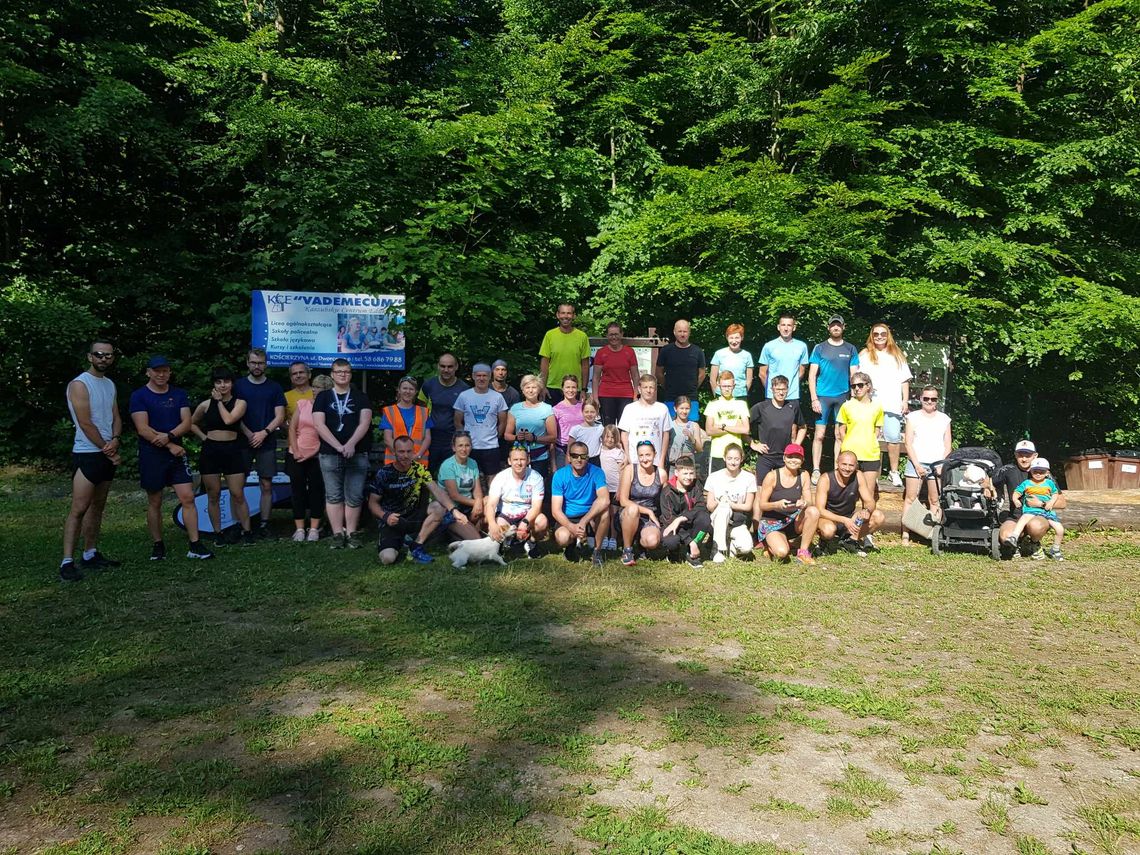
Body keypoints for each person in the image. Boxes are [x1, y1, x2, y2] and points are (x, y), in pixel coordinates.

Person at [129, 355, 212, 561]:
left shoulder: (179, 394)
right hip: (152, 454)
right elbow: (142, 428)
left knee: (188, 497)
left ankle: (195, 544)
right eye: (157, 371)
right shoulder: (139, 396)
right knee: (155, 501)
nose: (161, 374)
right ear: (148, 372)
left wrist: (170, 436)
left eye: (165, 370)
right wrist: (169, 444)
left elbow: (186, 422)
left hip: (175, 453)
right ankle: (158, 545)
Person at [61, 340, 123, 581]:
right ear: (90, 357)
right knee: (79, 508)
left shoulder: (109, 384)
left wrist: (116, 438)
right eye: (99, 355)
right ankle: (67, 561)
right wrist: (108, 449)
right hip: (87, 453)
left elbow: (115, 415)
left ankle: (90, 552)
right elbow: (85, 422)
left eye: (108, 355)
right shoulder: (79, 384)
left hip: (106, 452)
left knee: (98, 507)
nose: (103, 359)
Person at [368, 435, 473, 565]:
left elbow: (437, 491)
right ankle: (402, 541)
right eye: (401, 451)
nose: (405, 455)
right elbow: (372, 503)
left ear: (413, 451)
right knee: (387, 559)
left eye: (409, 451)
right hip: (393, 520)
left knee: (439, 507)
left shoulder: (419, 469)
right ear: (394, 452)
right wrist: (385, 516)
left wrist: (454, 510)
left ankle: (416, 546)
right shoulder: (384, 473)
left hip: (414, 516)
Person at [190, 367, 254, 547]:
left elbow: (229, 420)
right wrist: (205, 438)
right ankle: (218, 533)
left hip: (232, 450)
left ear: (232, 383)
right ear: (214, 384)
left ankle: (247, 530)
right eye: (218, 382)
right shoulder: (204, 404)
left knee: (237, 493)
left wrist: (219, 402)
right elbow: (192, 423)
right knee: (213, 494)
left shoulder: (240, 403)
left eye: (226, 381)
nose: (222, 385)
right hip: (211, 452)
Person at [313, 358, 373, 549]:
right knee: (333, 495)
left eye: (346, 371)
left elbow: (365, 422)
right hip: (330, 453)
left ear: (350, 374)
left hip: (357, 452)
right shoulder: (323, 397)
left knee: (354, 496)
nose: (342, 375)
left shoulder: (360, 396)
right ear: (332, 374)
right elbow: (318, 424)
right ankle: (337, 534)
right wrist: (338, 446)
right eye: (339, 371)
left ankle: (352, 533)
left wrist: (350, 444)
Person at [235, 348, 287, 538]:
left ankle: (265, 524)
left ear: (266, 364)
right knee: (237, 486)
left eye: (261, 363)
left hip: (267, 440)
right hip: (242, 441)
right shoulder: (238, 386)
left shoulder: (274, 387)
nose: (257, 366)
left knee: (266, 485)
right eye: (254, 362)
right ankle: (241, 525)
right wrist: (250, 434)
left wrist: (263, 433)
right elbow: (233, 415)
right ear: (247, 363)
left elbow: (280, 416)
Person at [994, 441, 1068, 560]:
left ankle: (1034, 544)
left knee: (1035, 526)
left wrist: (1041, 504)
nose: (1024, 459)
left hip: (1039, 515)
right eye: (1020, 454)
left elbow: (1062, 503)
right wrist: (988, 487)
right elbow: (990, 481)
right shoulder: (1008, 470)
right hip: (1016, 516)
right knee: (1005, 536)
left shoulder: (1044, 474)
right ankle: (1016, 545)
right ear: (1015, 455)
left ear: (1035, 456)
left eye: (1028, 455)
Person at [808, 315, 860, 484]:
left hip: (843, 396)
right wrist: (814, 398)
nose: (835, 328)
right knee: (820, 435)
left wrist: (853, 397)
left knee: (840, 435)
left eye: (838, 325)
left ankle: (838, 469)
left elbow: (854, 375)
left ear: (843, 327)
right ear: (828, 328)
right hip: (823, 396)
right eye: (833, 325)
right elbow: (812, 375)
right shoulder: (820, 348)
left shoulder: (850, 348)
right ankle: (816, 469)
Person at [859, 323, 912, 487]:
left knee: (893, 438)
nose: (879, 336)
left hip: (892, 403)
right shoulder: (865, 354)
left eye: (883, 333)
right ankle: (871, 472)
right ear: (871, 336)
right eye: (876, 334)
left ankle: (894, 472)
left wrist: (905, 400)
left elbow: (904, 380)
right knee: (870, 438)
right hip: (871, 403)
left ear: (888, 335)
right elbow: (857, 379)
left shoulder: (897, 355)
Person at [901, 385, 952, 546]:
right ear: (921, 399)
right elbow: (908, 443)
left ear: (937, 400)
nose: (930, 401)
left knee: (934, 500)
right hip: (916, 461)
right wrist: (916, 465)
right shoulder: (913, 417)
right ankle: (905, 534)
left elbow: (948, 445)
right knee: (910, 498)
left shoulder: (944, 419)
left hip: (937, 463)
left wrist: (941, 464)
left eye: (933, 399)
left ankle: (932, 534)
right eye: (926, 398)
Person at [755, 444, 820, 565]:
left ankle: (803, 553)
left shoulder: (804, 475)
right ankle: (769, 545)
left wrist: (804, 503)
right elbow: (762, 505)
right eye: (790, 456)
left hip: (793, 519)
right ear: (784, 458)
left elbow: (810, 501)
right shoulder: (772, 476)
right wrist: (776, 505)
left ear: (802, 460)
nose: (793, 460)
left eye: (797, 457)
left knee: (813, 511)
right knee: (782, 553)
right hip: (772, 521)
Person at [551, 440, 610, 568]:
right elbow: (555, 510)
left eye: (583, 456)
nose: (579, 459)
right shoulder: (559, 475)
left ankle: (596, 552)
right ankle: (571, 546)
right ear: (569, 457)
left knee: (605, 512)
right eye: (575, 456)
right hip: (568, 517)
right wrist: (571, 526)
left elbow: (605, 499)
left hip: (589, 515)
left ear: (588, 458)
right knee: (562, 538)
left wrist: (584, 521)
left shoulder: (597, 472)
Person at [287, 373, 331, 542]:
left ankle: (314, 528)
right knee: (297, 491)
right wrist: (296, 451)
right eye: (314, 386)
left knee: (316, 491)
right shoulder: (303, 404)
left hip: (316, 456)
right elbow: (292, 429)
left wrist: (312, 453)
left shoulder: (329, 410)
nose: (314, 390)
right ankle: (299, 529)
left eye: (318, 387)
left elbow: (326, 435)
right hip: (296, 454)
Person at [815, 451, 885, 556]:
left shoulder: (858, 475)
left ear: (856, 465)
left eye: (851, 465)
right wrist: (843, 520)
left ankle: (850, 541)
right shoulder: (826, 479)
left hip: (849, 518)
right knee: (828, 530)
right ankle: (824, 542)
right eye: (844, 464)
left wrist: (866, 510)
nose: (847, 468)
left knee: (878, 516)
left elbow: (869, 501)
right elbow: (820, 510)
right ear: (837, 463)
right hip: (829, 518)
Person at [836, 371, 885, 506]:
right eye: (853, 386)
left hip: (870, 454)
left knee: (868, 496)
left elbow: (877, 429)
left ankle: (865, 526)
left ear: (868, 386)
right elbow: (841, 429)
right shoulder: (847, 406)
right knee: (846, 492)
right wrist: (847, 446)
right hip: (850, 455)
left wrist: (870, 441)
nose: (857, 388)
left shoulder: (877, 407)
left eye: (860, 385)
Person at [749, 374, 807, 488]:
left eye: (783, 389)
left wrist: (795, 446)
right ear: (771, 390)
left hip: (785, 458)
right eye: (778, 389)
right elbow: (743, 427)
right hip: (765, 456)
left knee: (782, 490)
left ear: (788, 390)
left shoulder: (793, 407)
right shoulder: (761, 407)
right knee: (761, 490)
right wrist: (753, 444)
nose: (781, 393)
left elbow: (803, 427)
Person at [453, 363, 508, 479]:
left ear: (490, 377)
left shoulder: (497, 397)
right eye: (478, 375)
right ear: (473, 376)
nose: (481, 378)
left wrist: (496, 436)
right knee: (469, 479)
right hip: (469, 447)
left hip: (491, 446)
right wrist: (463, 438)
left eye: (484, 375)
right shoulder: (464, 396)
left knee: (492, 480)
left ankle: (491, 498)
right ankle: (473, 498)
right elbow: (458, 421)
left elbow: (503, 422)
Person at [486, 445, 548, 547]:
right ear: (509, 461)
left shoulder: (536, 477)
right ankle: (508, 543)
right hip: (506, 515)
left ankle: (531, 542)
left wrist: (525, 522)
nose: (519, 463)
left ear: (528, 460)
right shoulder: (500, 477)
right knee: (497, 526)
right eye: (515, 459)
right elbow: (491, 505)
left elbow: (537, 507)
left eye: (522, 459)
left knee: (542, 522)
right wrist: (492, 524)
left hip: (527, 515)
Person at [704, 443, 756, 563]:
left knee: (746, 548)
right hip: (717, 521)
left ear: (742, 459)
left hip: (737, 522)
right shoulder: (714, 477)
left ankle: (728, 544)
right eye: (730, 458)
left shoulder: (749, 478)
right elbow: (710, 506)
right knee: (724, 508)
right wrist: (721, 502)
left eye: (736, 459)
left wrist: (731, 504)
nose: (733, 462)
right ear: (724, 458)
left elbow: (748, 506)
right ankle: (718, 550)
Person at [420, 352, 470, 476]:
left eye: (450, 367)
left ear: (456, 367)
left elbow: (467, 416)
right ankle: (424, 497)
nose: (446, 370)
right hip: (431, 439)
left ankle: (450, 496)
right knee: (426, 476)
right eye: (443, 366)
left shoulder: (465, 389)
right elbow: (421, 411)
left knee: (452, 476)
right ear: (438, 366)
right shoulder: (428, 385)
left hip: (453, 439)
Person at [618, 439, 665, 565]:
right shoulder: (630, 470)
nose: (644, 459)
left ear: (654, 454)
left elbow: (665, 501)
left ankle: (640, 543)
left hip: (649, 518)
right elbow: (623, 500)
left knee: (653, 541)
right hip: (628, 514)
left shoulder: (661, 473)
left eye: (648, 455)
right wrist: (648, 511)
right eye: (641, 455)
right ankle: (627, 550)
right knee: (633, 509)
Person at [1007, 458, 1065, 560]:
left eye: (1041, 471)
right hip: (1031, 510)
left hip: (1047, 511)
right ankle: (1014, 537)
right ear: (1030, 471)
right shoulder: (1027, 483)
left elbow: (1055, 494)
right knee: (1023, 519)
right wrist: (1015, 500)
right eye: (1035, 471)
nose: (1038, 474)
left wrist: (1050, 503)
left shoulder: (1049, 483)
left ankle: (1055, 549)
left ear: (1047, 472)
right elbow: (1017, 492)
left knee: (1060, 529)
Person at [660, 455, 711, 567]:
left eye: (691, 473)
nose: (689, 477)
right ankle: (674, 551)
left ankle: (691, 554)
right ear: (677, 473)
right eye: (685, 474)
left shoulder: (696, 485)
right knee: (671, 542)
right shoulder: (667, 492)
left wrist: (682, 518)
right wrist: (690, 541)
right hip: (673, 527)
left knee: (705, 518)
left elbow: (701, 507)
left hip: (689, 523)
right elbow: (669, 519)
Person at [505, 374, 558, 478]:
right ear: (523, 390)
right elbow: (507, 435)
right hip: (519, 455)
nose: (530, 390)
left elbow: (553, 437)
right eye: (527, 387)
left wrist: (534, 438)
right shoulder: (515, 409)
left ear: (539, 390)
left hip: (539, 457)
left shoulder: (546, 409)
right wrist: (517, 437)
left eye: (534, 387)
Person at [538, 302, 591, 404]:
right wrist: (542, 386)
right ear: (557, 315)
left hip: (574, 388)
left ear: (574, 316)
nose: (565, 316)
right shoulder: (550, 335)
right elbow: (544, 363)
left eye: (569, 313)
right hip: (552, 387)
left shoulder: (582, 336)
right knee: (552, 419)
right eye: (562, 313)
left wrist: (584, 389)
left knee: (573, 420)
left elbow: (585, 365)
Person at [617, 374, 672, 470]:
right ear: (639, 389)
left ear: (655, 389)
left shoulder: (662, 408)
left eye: (651, 387)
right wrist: (627, 456)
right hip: (634, 460)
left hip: (655, 461)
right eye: (645, 387)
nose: (648, 390)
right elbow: (624, 434)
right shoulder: (629, 408)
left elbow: (666, 434)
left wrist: (661, 460)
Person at [656, 319, 706, 422]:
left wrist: (693, 387)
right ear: (674, 332)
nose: (682, 334)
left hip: (691, 397)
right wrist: (667, 386)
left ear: (689, 332)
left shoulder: (698, 351)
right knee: (670, 428)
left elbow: (702, 374)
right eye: (679, 331)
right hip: (671, 397)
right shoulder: (666, 350)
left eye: (685, 331)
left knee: (692, 428)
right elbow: (659, 373)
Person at [591, 322, 640, 425]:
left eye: (616, 334)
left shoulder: (629, 352)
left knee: (625, 427)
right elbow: (595, 377)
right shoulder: (601, 353)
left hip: (626, 394)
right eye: (611, 334)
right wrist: (595, 398)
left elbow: (635, 376)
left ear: (621, 334)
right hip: (606, 394)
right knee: (608, 427)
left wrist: (636, 395)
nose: (614, 337)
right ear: (607, 335)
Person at [380, 375, 433, 467]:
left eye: (411, 389)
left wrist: (418, 455)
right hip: (395, 463)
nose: (407, 392)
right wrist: (403, 457)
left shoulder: (424, 411)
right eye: (405, 388)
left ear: (416, 392)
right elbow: (387, 439)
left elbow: (427, 438)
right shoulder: (389, 411)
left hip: (418, 461)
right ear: (399, 390)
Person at [437, 431, 485, 532]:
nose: (464, 449)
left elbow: (477, 490)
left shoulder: (473, 463)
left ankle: (473, 525)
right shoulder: (448, 465)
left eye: (467, 445)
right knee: (473, 537)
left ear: (471, 447)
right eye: (460, 446)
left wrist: (479, 501)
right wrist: (476, 503)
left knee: (489, 500)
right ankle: (471, 528)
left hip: (468, 505)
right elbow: (454, 495)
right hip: (452, 507)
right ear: (454, 448)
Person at [704, 372, 750, 473]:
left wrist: (722, 426)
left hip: (735, 455)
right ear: (719, 386)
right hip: (717, 453)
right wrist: (735, 427)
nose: (727, 389)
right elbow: (709, 430)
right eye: (724, 386)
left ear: (734, 386)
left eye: (729, 386)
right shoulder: (713, 404)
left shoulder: (741, 404)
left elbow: (745, 429)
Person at [758, 313, 809, 402]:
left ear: (794, 328)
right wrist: (773, 391)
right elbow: (762, 373)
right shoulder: (769, 346)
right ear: (778, 327)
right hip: (772, 397)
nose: (786, 328)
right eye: (783, 325)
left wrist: (790, 388)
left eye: (789, 325)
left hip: (792, 396)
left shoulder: (802, 346)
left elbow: (801, 372)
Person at [709, 323, 754, 401]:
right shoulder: (719, 354)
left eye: (737, 338)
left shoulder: (747, 355)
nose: (734, 341)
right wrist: (717, 395)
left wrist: (743, 393)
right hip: (721, 395)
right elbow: (712, 379)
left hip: (740, 396)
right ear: (727, 338)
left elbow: (749, 380)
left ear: (742, 338)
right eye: (731, 338)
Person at [491, 358, 522, 467]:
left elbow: (515, 417)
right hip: (486, 436)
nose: (500, 372)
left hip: (506, 437)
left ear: (507, 372)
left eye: (503, 370)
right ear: (492, 371)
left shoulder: (513, 394)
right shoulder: (485, 390)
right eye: (497, 369)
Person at [552, 375, 585, 470]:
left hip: (582, 448)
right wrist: (553, 463)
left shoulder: (583, 406)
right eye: (567, 387)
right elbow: (552, 437)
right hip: (563, 450)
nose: (570, 390)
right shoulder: (556, 409)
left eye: (573, 387)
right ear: (562, 389)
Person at [667, 396, 706, 471]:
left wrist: (692, 438)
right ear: (675, 409)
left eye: (687, 408)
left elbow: (700, 449)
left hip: (689, 466)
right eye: (681, 408)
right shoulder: (670, 425)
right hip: (672, 465)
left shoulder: (694, 425)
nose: (684, 411)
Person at [569, 398, 605, 466]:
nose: (589, 414)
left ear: (597, 412)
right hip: (579, 460)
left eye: (592, 412)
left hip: (595, 461)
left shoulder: (600, 428)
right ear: (582, 412)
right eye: (586, 412)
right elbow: (569, 451)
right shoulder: (575, 429)